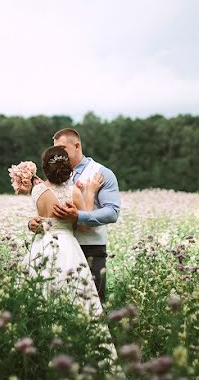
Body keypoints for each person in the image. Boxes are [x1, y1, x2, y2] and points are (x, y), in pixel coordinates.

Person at [9, 147, 105, 316]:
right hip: (67, 246)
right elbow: (85, 225)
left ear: (45, 168)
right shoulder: (73, 192)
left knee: (40, 289)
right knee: (72, 291)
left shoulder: (36, 190)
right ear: (68, 168)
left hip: (41, 245)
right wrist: (89, 192)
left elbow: (45, 203)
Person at [28, 128, 120, 303]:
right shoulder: (54, 174)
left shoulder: (102, 173)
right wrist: (35, 223)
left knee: (91, 304)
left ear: (77, 146)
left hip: (90, 249)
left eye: (63, 148)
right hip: (54, 249)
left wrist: (79, 216)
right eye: (56, 149)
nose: (59, 153)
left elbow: (112, 212)